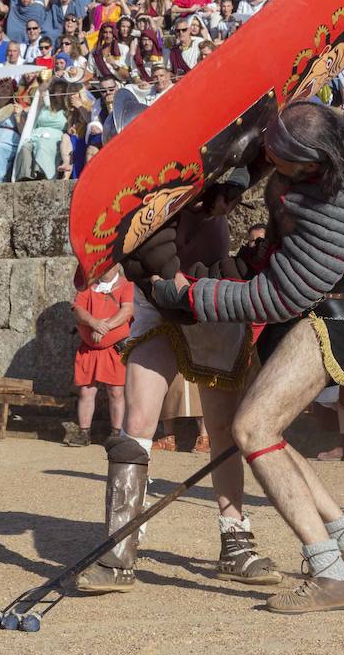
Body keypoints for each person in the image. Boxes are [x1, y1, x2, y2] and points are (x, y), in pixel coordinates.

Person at [145, 103, 344, 613]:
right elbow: (267, 154)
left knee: (253, 429)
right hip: (316, 304)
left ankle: (331, 574)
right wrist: (233, 184)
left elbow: (276, 296)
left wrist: (193, 295)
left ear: (309, 163)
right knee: (270, 430)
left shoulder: (341, 207)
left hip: (333, 316)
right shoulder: (320, 154)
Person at [77, 169, 284, 597]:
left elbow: (217, 265)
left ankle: (235, 541)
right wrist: (168, 283)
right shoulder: (158, 199)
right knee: (135, 423)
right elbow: (147, 259)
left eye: (235, 198)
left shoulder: (218, 214)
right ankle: (120, 547)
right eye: (224, 196)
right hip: (160, 303)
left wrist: (245, 264)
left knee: (224, 429)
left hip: (212, 299)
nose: (228, 206)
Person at [68, 266, 135, 448]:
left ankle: (116, 434)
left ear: (117, 267)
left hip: (114, 349)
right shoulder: (87, 287)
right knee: (86, 391)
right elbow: (78, 310)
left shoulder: (126, 286)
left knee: (116, 392)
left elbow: (127, 311)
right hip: (90, 350)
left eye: (110, 264)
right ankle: (83, 433)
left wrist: (105, 328)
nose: (105, 268)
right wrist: (94, 323)